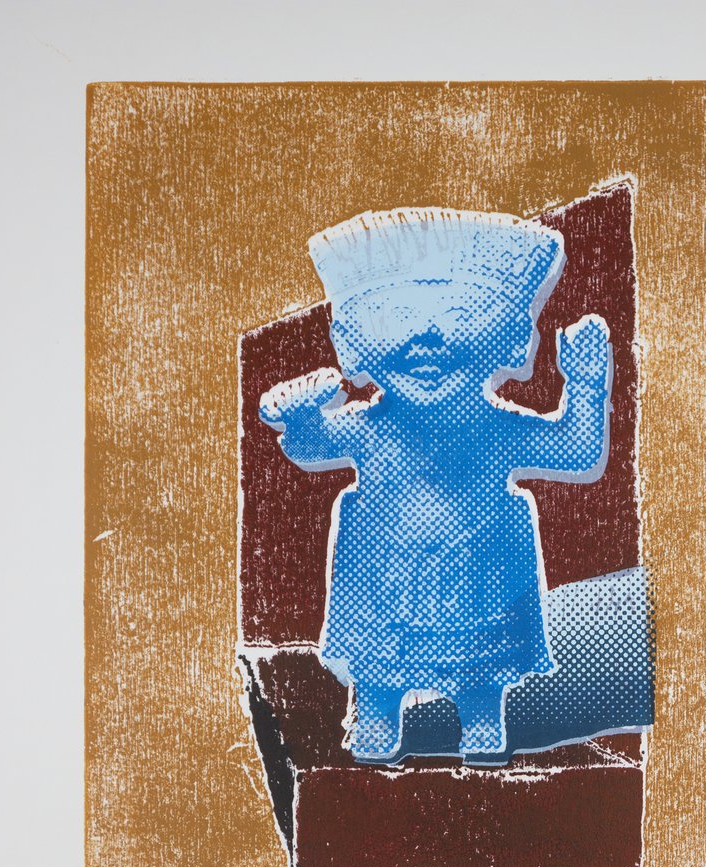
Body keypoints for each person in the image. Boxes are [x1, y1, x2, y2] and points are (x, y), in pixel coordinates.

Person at [260, 207, 612, 760]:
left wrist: (588, 386)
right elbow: (312, 448)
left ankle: (481, 721)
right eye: (399, 317)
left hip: (477, 587)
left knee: (480, 680)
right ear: (355, 340)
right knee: (378, 675)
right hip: (383, 593)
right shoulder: (372, 426)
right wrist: (301, 417)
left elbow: (575, 450)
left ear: (509, 338)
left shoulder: (494, 428)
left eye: (458, 316)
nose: (427, 339)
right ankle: (377, 715)